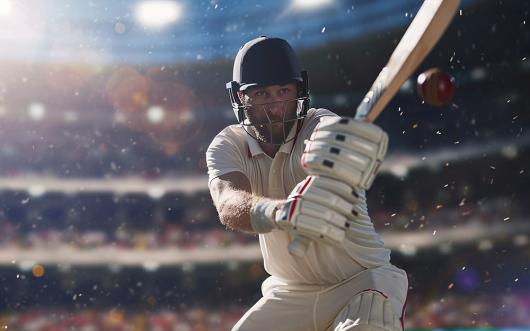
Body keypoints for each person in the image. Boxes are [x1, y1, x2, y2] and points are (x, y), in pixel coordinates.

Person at [206, 36, 408, 331]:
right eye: (261, 94)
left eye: (284, 91)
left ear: (299, 90)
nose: (275, 107)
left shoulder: (320, 124)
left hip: (361, 283)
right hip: (290, 292)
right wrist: (279, 212)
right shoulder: (228, 143)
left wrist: (342, 150)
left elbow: (330, 134)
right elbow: (228, 203)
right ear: (240, 97)